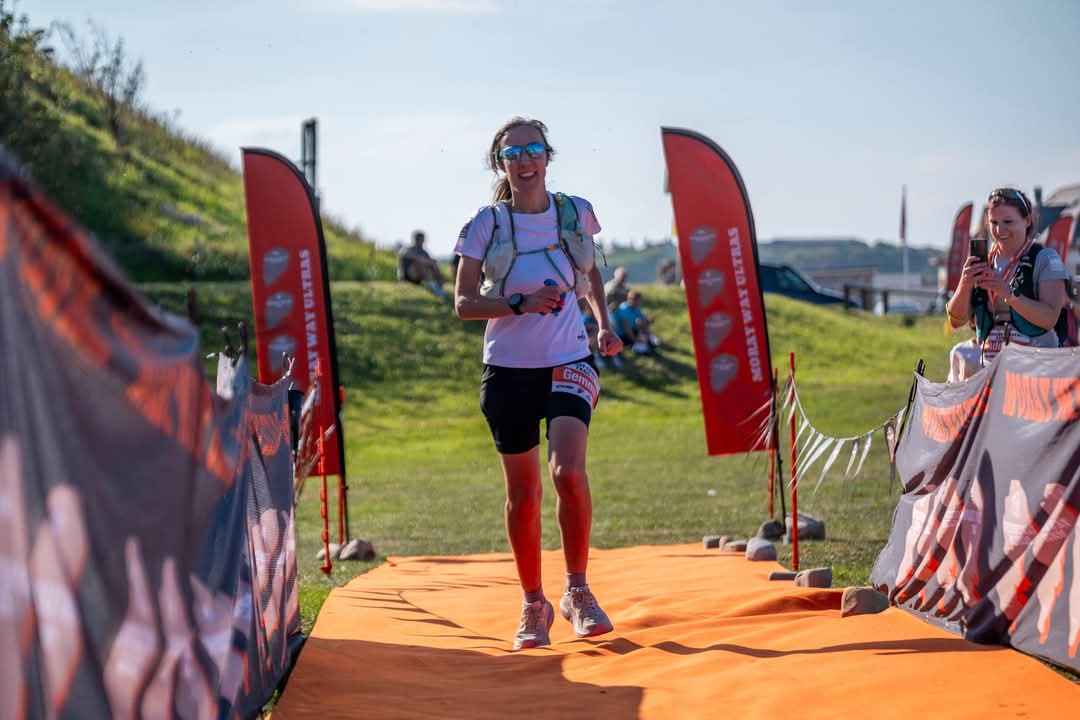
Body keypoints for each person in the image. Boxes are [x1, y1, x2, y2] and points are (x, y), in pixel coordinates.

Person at [453, 117, 622, 650]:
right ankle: (534, 602)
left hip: (570, 359)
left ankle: (578, 591)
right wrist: (518, 303)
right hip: (507, 369)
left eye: (533, 150)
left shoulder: (575, 212)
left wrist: (603, 321)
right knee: (523, 496)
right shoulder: (486, 223)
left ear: (548, 156)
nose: (524, 161)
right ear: (500, 164)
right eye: (512, 153)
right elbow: (463, 304)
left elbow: (590, 270)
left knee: (568, 473)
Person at [944, 187, 1070, 380]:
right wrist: (965, 283)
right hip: (990, 369)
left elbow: (1049, 318)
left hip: (1036, 368)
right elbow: (956, 321)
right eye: (993, 222)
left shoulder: (1045, 259)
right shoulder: (983, 260)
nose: (999, 230)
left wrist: (1008, 294)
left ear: (1027, 221)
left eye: (1008, 222)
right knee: (959, 353)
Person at [398, 230, 448, 298]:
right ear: (416, 239)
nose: (422, 242)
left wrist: (434, 265)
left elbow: (431, 262)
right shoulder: (407, 249)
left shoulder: (424, 252)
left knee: (434, 264)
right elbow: (409, 256)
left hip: (419, 278)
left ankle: (439, 287)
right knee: (419, 263)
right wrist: (427, 261)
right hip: (407, 277)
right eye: (421, 240)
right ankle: (430, 285)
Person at [613, 290, 660, 354]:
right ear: (630, 300)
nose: (639, 303)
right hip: (621, 336)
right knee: (644, 347)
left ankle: (647, 341)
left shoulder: (635, 308)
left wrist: (649, 320)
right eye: (638, 301)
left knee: (642, 324)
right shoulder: (623, 309)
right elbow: (627, 329)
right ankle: (634, 345)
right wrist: (636, 340)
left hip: (632, 331)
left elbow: (643, 318)